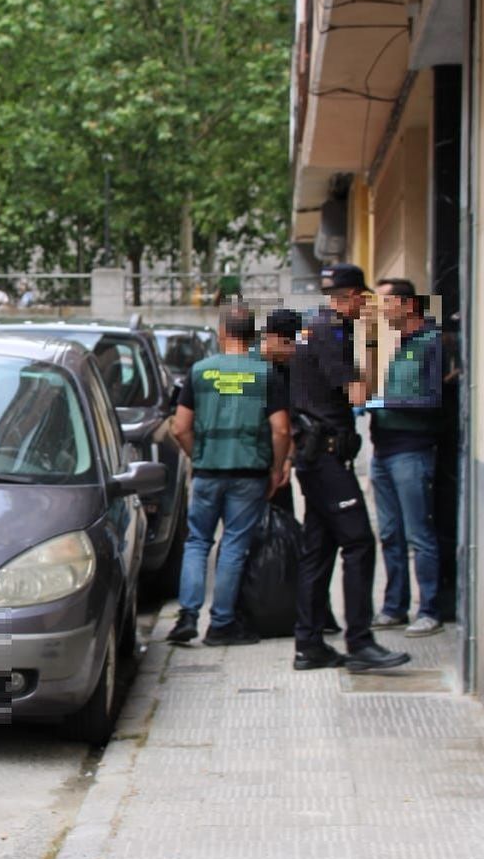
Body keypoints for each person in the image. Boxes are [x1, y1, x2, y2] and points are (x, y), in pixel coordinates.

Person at [290, 264, 410, 673]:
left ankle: (309, 645)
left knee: (318, 551)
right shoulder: (331, 332)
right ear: (355, 296)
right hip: (323, 457)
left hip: (318, 456)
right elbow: (360, 392)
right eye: (367, 300)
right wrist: (376, 343)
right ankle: (359, 642)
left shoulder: (319, 327)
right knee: (359, 542)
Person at [167, 302, 290, 646]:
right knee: (234, 545)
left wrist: (201, 455)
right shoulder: (266, 374)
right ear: (252, 335)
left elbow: (180, 428)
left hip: (208, 470)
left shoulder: (199, 371)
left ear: (222, 333)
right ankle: (221, 624)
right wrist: (277, 469)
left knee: (197, 543)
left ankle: (186, 618)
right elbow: (281, 430)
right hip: (249, 473)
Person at [368, 278, 445, 637]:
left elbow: (433, 399)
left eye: (385, 302)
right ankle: (394, 607)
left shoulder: (432, 342)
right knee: (389, 534)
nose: (380, 310)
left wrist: (384, 402)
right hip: (382, 453)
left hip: (412, 452)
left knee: (419, 535)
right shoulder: (395, 344)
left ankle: (429, 609)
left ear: (408, 305)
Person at [259, 307, 340, 636]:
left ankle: (310, 612)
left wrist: (285, 464)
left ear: (284, 339)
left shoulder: (294, 371)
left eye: (269, 338)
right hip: (277, 464)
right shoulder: (274, 368)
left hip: (287, 464)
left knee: (296, 540)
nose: (264, 344)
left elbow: (290, 425)